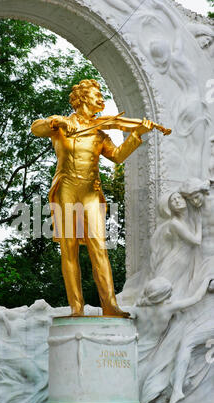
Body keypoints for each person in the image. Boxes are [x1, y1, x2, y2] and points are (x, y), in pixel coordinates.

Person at [31, 79, 154, 317]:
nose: (102, 99)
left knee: (99, 248)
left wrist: (136, 133)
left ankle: (110, 305)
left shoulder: (100, 132)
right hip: (66, 188)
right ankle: (76, 308)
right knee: (69, 249)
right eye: (97, 95)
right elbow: (36, 128)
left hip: (90, 192)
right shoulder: (61, 125)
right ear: (83, 98)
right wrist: (54, 121)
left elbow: (118, 156)